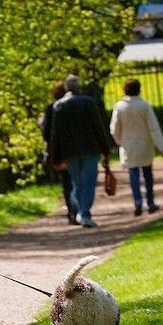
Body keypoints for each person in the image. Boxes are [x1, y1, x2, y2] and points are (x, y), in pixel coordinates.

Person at [49, 74, 112, 228]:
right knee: (89, 182)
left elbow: (55, 134)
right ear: (79, 87)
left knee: (77, 183)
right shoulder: (88, 103)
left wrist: (55, 157)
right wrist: (105, 149)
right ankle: (84, 213)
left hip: (70, 152)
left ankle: (80, 211)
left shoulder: (59, 105)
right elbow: (98, 127)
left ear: (66, 88)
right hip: (90, 149)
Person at [110, 78, 163, 216]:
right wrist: (161, 147)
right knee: (147, 173)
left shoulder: (120, 106)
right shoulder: (144, 106)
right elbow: (154, 128)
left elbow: (114, 128)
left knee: (133, 174)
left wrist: (119, 141)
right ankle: (150, 202)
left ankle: (137, 202)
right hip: (144, 143)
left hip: (128, 144)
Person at [40, 82, 77, 224]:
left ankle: (71, 211)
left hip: (59, 151)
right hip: (74, 150)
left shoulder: (51, 108)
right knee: (76, 180)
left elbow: (46, 134)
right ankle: (77, 208)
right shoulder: (74, 107)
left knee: (66, 182)